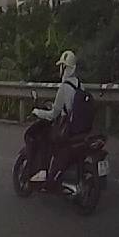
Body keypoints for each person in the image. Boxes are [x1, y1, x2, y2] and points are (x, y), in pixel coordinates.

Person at [31, 50, 83, 189]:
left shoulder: (64, 88)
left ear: (65, 68)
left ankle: (44, 171)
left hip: (66, 127)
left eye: (61, 66)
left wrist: (38, 112)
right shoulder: (79, 84)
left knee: (45, 138)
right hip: (78, 127)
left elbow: (53, 114)